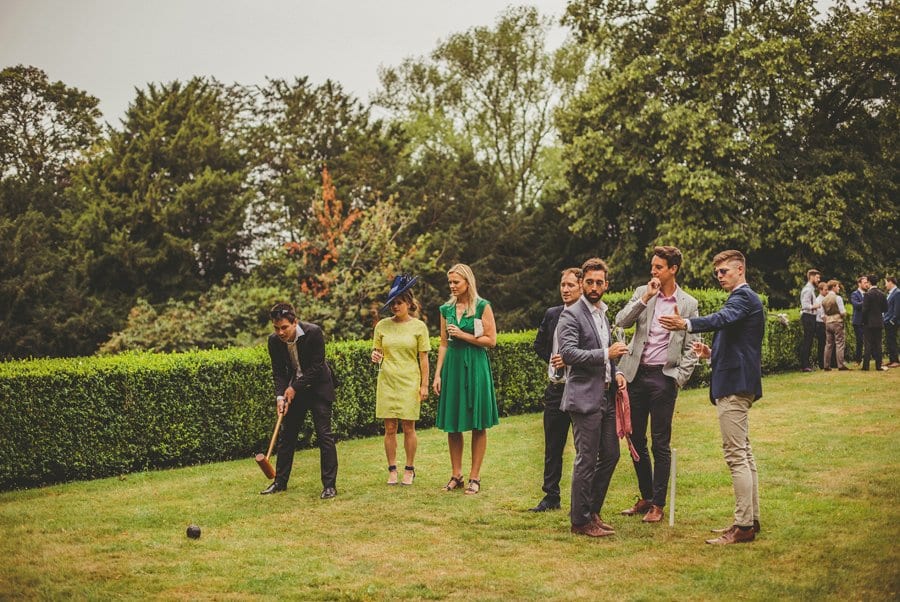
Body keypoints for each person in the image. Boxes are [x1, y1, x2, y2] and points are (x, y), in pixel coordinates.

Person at [660, 250, 764, 545]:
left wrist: (686, 324)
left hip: (734, 385)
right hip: (738, 380)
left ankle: (743, 526)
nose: (719, 276)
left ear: (740, 269)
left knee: (735, 455)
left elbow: (722, 319)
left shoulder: (742, 298)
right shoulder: (744, 300)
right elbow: (739, 342)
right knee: (744, 453)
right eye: (716, 272)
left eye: (724, 271)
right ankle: (751, 520)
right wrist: (710, 353)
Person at [615, 246, 699, 523]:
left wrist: (678, 378)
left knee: (660, 443)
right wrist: (646, 297)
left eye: (659, 267)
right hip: (636, 376)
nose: (653, 271)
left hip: (664, 378)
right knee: (636, 440)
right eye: (652, 266)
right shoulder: (643, 292)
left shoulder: (688, 303)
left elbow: (690, 347)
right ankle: (647, 496)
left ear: (673, 269)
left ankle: (659, 505)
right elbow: (621, 322)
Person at [557, 257, 629, 537]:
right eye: (589, 282)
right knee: (586, 459)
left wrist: (617, 371)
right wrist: (605, 355)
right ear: (582, 283)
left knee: (611, 454)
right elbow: (569, 353)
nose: (594, 286)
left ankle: (593, 511)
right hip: (584, 396)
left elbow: (607, 351)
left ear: (606, 284)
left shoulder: (603, 313)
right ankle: (580, 521)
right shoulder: (571, 314)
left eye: (599, 282)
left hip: (607, 395)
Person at [433, 263, 499, 495]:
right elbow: (443, 343)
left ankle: (475, 477)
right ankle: (456, 474)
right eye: (449, 282)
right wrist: (437, 374)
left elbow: (491, 341)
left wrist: (464, 335)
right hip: (453, 367)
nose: (452, 286)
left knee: (477, 423)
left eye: (456, 282)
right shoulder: (445, 309)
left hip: (476, 365)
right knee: (453, 423)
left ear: (467, 282)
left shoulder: (482, 306)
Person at [263, 302, 339, 499]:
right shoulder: (274, 341)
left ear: (294, 322)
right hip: (294, 391)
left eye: (284, 327)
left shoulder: (313, 332)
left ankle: (329, 486)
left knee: (324, 436)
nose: (280, 332)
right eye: (276, 328)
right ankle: (279, 482)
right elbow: (279, 372)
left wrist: (293, 387)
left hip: (319, 388)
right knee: (287, 436)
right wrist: (280, 396)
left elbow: (316, 367)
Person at [528, 267, 582, 512]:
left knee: (584, 447)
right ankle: (551, 496)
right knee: (553, 446)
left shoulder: (587, 316)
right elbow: (539, 344)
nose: (565, 289)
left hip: (579, 387)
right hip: (555, 389)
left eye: (570, 285)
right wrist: (552, 359)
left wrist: (570, 360)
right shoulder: (552, 314)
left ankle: (582, 498)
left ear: (581, 287)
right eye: (563, 284)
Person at [371, 275, 430, 486]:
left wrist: (424, 385)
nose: (395, 307)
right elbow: (376, 353)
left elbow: (423, 358)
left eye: (399, 302)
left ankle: (410, 468)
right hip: (387, 380)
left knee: (408, 427)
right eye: (393, 303)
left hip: (409, 381)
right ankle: (392, 469)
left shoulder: (419, 327)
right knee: (389, 427)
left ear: (409, 303)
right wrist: (375, 356)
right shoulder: (382, 326)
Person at [861, 275, 888, 371]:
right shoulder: (882, 294)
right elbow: (885, 309)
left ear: (869, 282)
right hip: (879, 322)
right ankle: (878, 365)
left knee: (867, 344)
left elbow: (864, 310)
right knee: (878, 344)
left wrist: (863, 321)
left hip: (868, 322)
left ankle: (866, 366)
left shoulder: (867, 295)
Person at [821, 280, 848, 371]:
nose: (839, 288)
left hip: (828, 323)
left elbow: (822, 315)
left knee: (828, 344)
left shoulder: (824, 299)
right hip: (837, 322)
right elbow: (843, 312)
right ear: (833, 287)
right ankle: (840, 365)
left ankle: (826, 365)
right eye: (837, 286)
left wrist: (827, 321)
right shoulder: (838, 298)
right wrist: (844, 315)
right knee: (840, 343)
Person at [799, 269, 821, 372]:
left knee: (809, 341)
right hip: (808, 316)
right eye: (817, 277)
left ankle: (807, 364)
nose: (818, 280)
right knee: (807, 341)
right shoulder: (808, 289)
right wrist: (815, 306)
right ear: (811, 277)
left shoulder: (811, 289)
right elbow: (805, 305)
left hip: (810, 317)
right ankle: (805, 365)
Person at [850, 276, 868, 364]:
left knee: (869, 341)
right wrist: (867, 300)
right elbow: (856, 305)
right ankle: (858, 360)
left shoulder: (868, 293)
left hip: (867, 321)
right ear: (859, 283)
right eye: (864, 282)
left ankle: (869, 358)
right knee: (860, 341)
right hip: (858, 321)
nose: (866, 284)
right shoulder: (854, 294)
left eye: (867, 282)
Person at [884, 276, 899, 368]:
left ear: (890, 282)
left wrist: (892, 320)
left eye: (886, 282)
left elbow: (897, 309)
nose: (885, 285)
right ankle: (892, 360)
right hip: (887, 321)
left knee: (892, 341)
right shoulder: (890, 293)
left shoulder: (897, 293)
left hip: (892, 322)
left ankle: (896, 361)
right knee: (889, 341)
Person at [814, 281, 830, 369]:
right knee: (822, 344)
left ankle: (826, 362)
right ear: (820, 290)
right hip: (821, 324)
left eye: (827, 290)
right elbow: (822, 315)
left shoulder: (825, 298)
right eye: (825, 290)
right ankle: (821, 364)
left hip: (824, 323)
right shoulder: (818, 300)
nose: (827, 291)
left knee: (826, 344)